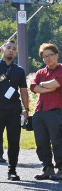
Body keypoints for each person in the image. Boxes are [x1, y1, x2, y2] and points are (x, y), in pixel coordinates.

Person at [30, 43, 62, 180]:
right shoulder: (40, 72)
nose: (47, 59)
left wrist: (42, 84)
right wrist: (47, 86)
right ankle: (48, 168)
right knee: (41, 142)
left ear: (57, 55)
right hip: (39, 111)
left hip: (55, 110)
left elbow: (56, 84)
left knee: (57, 140)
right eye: (44, 57)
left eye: (50, 55)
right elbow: (33, 87)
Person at [0, 41, 29, 181]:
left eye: (14, 49)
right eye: (8, 48)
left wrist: (26, 109)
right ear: (2, 50)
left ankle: (12, 170)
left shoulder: (19, 70)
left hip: (13, 110)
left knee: (14, 141)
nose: (11, 51)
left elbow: (23, 91)